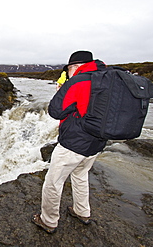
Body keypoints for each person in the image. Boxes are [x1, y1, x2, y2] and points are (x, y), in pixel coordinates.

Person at [32, 50, 108, 233]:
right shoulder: (106, 79)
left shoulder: (78, 81)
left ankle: (48, 221)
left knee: (53, 181)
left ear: (74, 67)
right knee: (80, 174)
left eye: (68, 70)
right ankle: (82, 212)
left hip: (75, 142)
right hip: (97, 142)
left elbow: (56, 111)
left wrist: (62, 90)